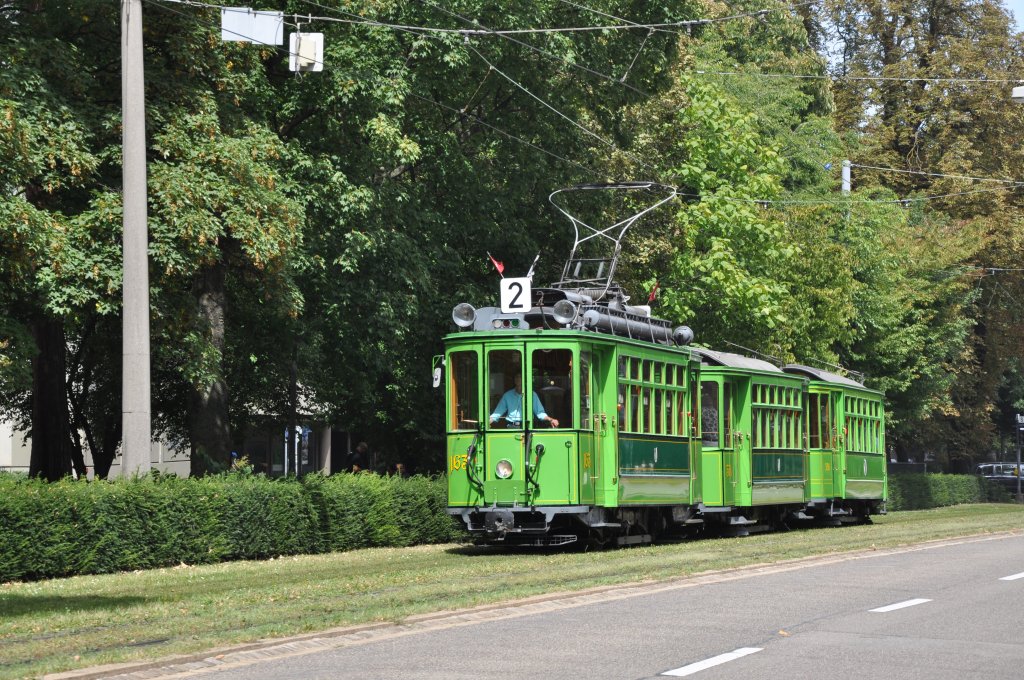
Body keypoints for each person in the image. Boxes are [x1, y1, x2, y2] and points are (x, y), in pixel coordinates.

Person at [490, 374, 559, 428]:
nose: (518, 379)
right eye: (516, 377)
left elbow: (540, 413)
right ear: (514, 379)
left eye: (520, 377)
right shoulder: (507, 395)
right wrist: (488, 421)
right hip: (511, 427)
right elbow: (498, 413)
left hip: (528, 427)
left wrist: (551, 420)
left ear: (524, 379)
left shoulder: (532, 395)